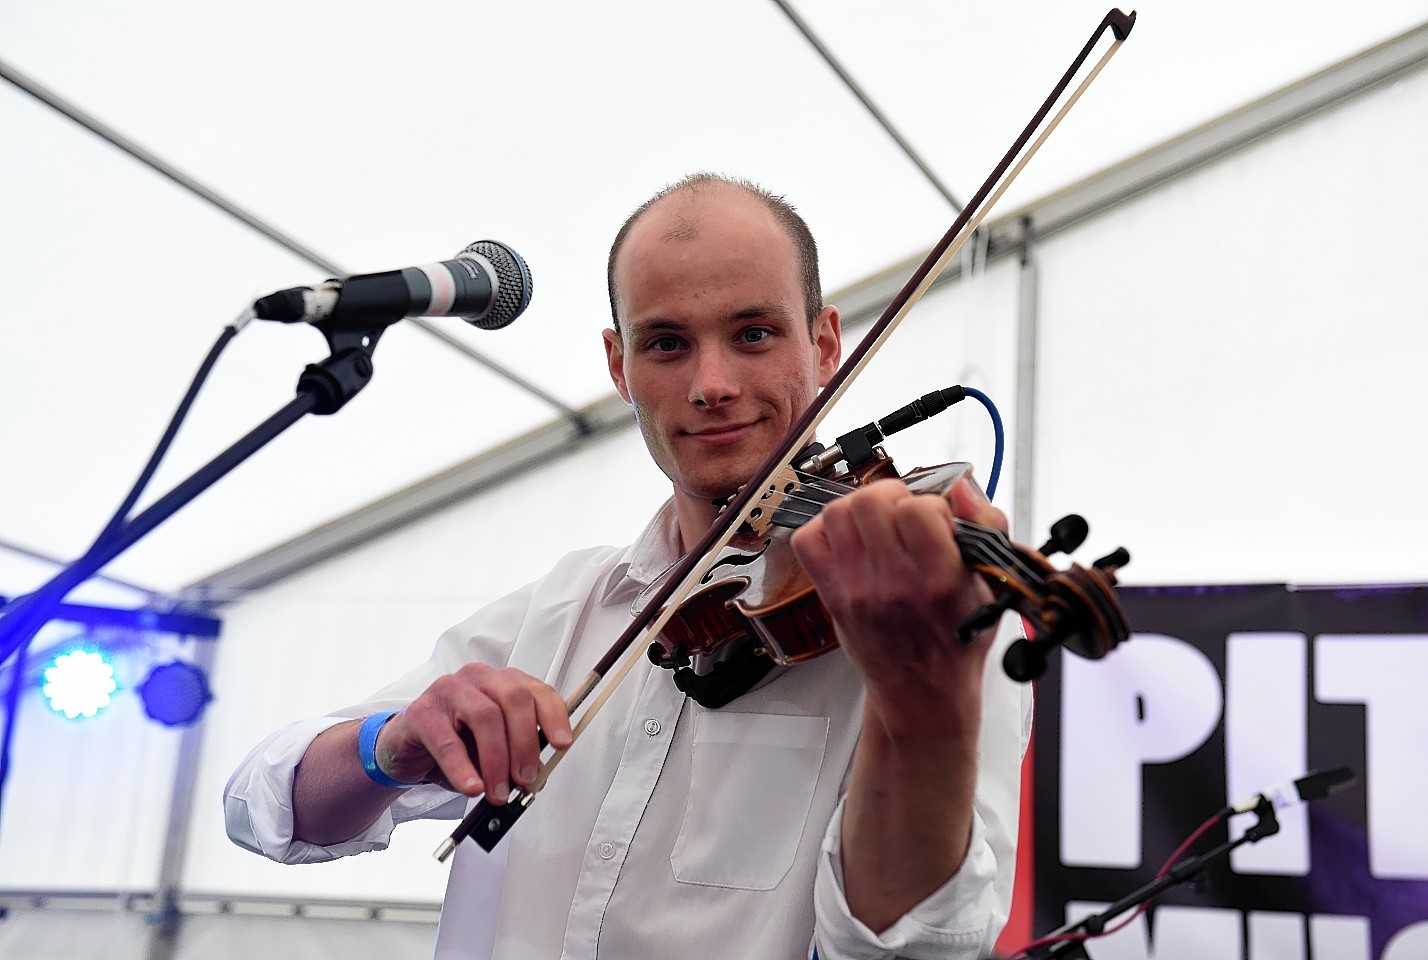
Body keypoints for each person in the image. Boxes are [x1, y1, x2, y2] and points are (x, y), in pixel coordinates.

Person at [225, 173, 1032, 960]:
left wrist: (919, 699)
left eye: (754, 334)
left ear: (824, 345)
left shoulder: (943, 619)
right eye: (667, 344)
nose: (712, 385)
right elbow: (266, 807)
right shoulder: (559, 612)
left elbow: (920, 950)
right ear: (619, 366)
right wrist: (388, 746)